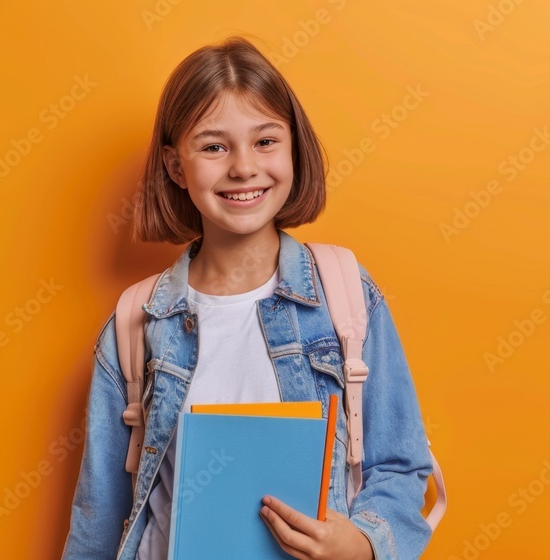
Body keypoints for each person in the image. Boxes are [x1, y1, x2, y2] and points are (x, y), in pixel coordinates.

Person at [61, 35, 433, 560]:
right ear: (174, 166)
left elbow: (400, 464)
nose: (242, 168)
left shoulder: (345, 294)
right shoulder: (136, 323)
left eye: (265, 141)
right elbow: (99, 514)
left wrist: (364, 543)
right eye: (214, 146)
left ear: (293, 147)